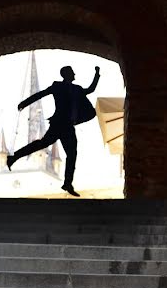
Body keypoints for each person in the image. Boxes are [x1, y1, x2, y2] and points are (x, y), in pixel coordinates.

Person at [7, 65, 100, 197]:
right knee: (55, 148)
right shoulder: (58, 86)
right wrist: (24, 103)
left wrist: (97, 75)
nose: (74, 75)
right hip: (60, 124)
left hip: (66, 125)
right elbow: (41, 94)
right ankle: (14, 157)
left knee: (65, 151)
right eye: (72, 72)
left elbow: (90, 89)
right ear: (67, 74)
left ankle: (67, 183)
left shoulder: (76, 89)